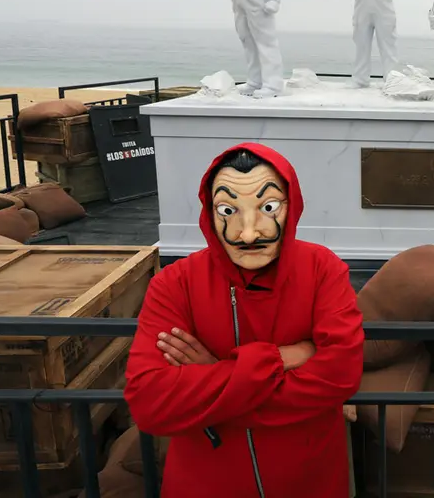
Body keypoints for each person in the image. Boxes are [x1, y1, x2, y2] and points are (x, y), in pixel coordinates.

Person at [124, 142, 364, 498]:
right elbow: (150, 403)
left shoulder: (322, 270)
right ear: (209, 212)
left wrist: (213, 380)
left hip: (309, 481)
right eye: (227, 210)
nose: (248, 233)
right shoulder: (175, 284)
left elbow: (340, 375)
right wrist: (280, 358)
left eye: (268, 208)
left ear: (292, 205)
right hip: (205, 486)